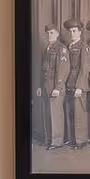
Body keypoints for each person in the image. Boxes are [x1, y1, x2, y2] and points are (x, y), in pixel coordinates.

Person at [33, 21, 59, 149]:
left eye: (52, 33)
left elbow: (62, 70)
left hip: (54, 86)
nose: (50, 35)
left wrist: (58, 88)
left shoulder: (61, 48)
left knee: (54, 115)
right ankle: (48, 139)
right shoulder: (47, 49)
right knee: (46, 114)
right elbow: (42, 69)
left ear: (57, 34)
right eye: (48, 33)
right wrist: (39, 86)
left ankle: (56, 141)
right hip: (44, 86)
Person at [63, 21, 86, 145]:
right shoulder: (67, 47)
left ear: (80, 32)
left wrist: (80, 87)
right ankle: (71, 138)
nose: (72, 34)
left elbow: (85, 68)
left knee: (79, 113)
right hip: (68, 83)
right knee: (68, 112)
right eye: (70, 31)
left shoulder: (83, 47)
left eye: (74, 31)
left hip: (77, 84)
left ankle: (80, 140)